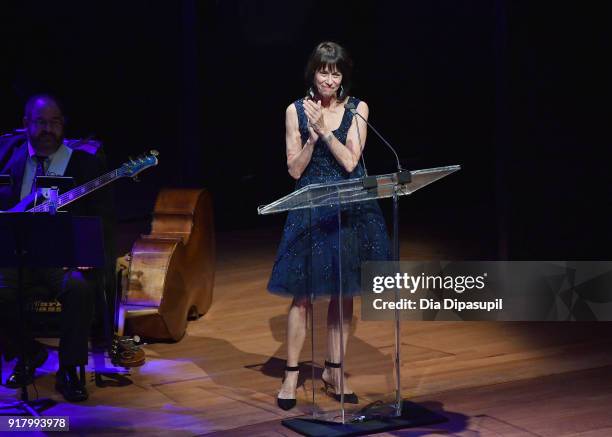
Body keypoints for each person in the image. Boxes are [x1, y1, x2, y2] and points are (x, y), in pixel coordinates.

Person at [268, 42, 391, 410]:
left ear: (343, 77)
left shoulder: (358, 108)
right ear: (313, 73)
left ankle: (334, 371)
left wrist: (327, 132)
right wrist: (312, 135)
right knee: (302, 296)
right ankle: (291, 375)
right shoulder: (295, 110)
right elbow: (294, 169)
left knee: (344, 293)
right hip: (310, 209)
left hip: (350, 209)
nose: (329, 79)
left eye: (336, 73)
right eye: (324, 71)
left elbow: (352, 162)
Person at [0, 94, 114, 402]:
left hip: (66, 263)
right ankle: (29, 353)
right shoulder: (9, 159)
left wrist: (89, 258)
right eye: (40, 122)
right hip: (19, 260)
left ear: (63, 125)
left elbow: (102, 223)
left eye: (55, 122)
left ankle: (69, 369)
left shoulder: (87, 165)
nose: (48, 129)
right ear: (26, 125)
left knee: (78, 286)